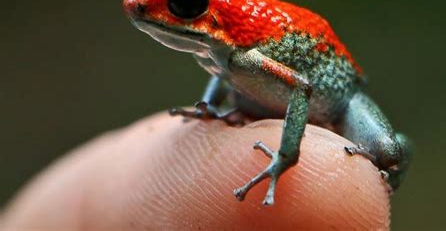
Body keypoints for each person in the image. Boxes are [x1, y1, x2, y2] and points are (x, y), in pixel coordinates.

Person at [1, 113, 390, 230]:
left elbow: (300, 86)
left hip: (338, 91)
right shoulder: (216, 57)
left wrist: (287, 156)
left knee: (388, 150)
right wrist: (209, 105)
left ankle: (390, 176)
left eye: (184, 0)